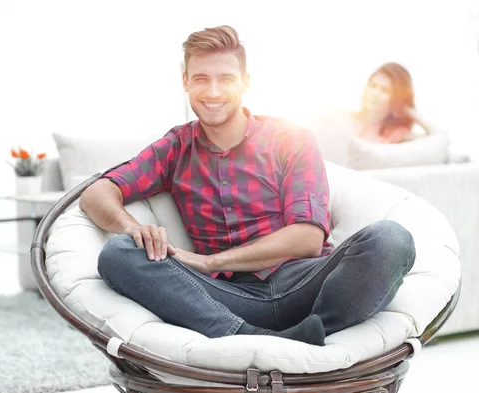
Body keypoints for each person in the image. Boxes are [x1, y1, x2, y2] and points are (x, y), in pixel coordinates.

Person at [80, 26, 415, 347]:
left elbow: (308, 238)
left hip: (306, 286)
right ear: (185, 82)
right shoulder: (176, 147)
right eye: (201, 79)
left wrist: (212, 262)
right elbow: (96, 193)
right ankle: (258, 338)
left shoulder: (290, 138)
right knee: (119, 253)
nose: (212, 92)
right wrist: (135, 229)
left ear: (245, 82)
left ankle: (316, 329)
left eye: (225, 79)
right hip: (225, 300)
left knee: (392, 240)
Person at [337, 62, 439, 144]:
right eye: (373, 86)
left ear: (396, 98)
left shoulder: (396, 133)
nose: (375, 93)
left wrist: (408, 110)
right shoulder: (344, 117)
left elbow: (438, 139)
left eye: (385, 90)